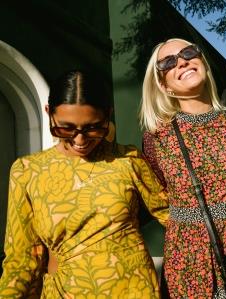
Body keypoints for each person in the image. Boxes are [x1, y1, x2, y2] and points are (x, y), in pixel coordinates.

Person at [0, 70, 169, 298]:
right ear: (49, 113)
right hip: (66, 292)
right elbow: (22, 259)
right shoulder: (27, 172)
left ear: (108, 115)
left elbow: (174, 216)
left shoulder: (127, 159)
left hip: (136, 290)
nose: (80, 140)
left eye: (93, 127)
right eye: (66, 128)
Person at [140, 38, 226, 298]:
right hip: (189, 255)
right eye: (168, 62)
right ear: (163, 84)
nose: (182, 61)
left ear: (202, 60)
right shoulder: (157, 137)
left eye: (188, 52)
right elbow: (156, 192)